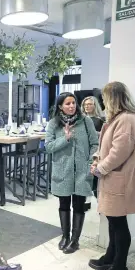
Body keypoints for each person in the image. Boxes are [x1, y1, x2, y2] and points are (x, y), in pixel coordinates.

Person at [89, 81, 135, 270]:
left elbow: (119, 152)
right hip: (112, 178)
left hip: (118, 179)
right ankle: (110, 257)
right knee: (113, 221)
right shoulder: (118, 119)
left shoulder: (127, 119)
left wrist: (101, 168)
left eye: (104, 98)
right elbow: (105, 147)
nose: (102, 102)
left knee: (119, 224)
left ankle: (120, 269)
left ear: (113, 98)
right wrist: (96, 159)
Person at [45, 92, 99, 254]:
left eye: (73, 103)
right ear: (60, 106)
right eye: (67, 104)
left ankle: (75, 240)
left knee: (79, 205)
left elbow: (94, 144)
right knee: (63, 204)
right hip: (62, 170)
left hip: (82, 171)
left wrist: (91, 162)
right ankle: (65, 236)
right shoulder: (53, 124)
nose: (71, 106)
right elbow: (48, 147)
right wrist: (65, 138)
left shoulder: (86, 121)